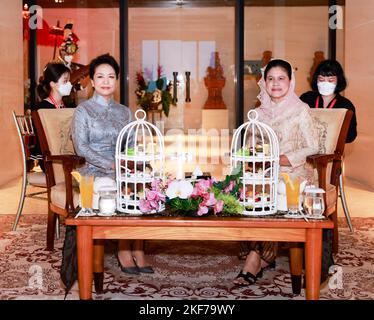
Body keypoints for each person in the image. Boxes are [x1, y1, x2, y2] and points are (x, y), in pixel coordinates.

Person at [234, 59, 319, 286]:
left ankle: (256, 258)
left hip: (293, 172)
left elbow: (313, 145)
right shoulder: (258, 112)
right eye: (270, 78)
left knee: (272, 196)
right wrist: (252, 159)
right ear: (264, 82)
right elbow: (250, 143)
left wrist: (282, 159)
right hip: (264, 170)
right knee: (244, 195)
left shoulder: (301, 110)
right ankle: (260, 255)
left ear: (290, 82)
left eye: (281, 78)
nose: (275, 83)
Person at [71, 53, 153, 275]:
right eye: (100, 77)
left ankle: (138, 247)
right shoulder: (83, 111)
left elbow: (130, 145)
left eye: (110, 76)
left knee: (146, 187)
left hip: (122, 167)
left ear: (117, 80)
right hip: (93, 169)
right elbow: (81, 148)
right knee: (118, 188)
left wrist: (131, 162)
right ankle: (124, 248)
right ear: (92, 80)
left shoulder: (124, 111)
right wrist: (111, 165)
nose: (106, 81)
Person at [300, 59, 357, 143]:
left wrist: (331, 133)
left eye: (330, 80)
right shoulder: (306, 98)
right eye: (321, 79)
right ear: (316, 80)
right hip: (305, 150)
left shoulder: (346, 105)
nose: (325, 83)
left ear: (338, 81)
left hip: (331, 153)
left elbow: (351, 136)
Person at [32, 62, 72, 171]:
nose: (69, 84)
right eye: (65, 81)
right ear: (53, 84)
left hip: (67, 154)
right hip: (49, 159)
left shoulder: (68, 107)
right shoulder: (41, 109)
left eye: (69, 81)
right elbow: (42, 139)